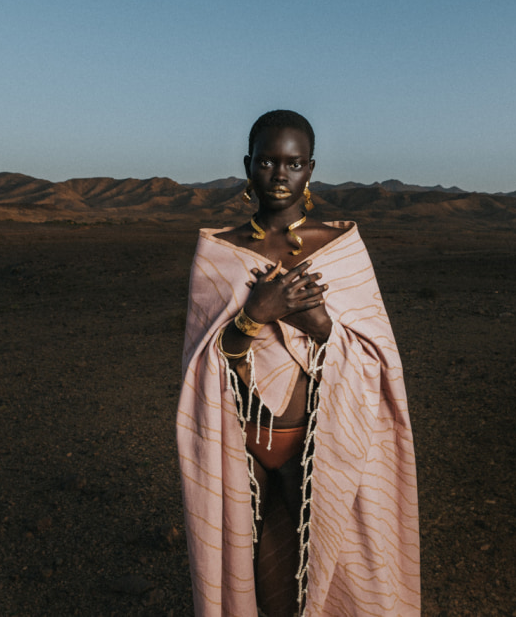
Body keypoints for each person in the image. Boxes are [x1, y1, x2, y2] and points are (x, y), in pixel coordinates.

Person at [176, 110, 420, 617]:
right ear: (248, 165)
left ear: (310, 168)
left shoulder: (340, 250)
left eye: (293, 163)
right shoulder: (220, 252)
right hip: (238, 440)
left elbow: (379, 358)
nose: (279, 175)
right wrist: (254, 316)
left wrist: (323, 325)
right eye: (267, 161)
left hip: (315, 439)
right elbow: (202, 365)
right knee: (251, 578)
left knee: (331, 568)